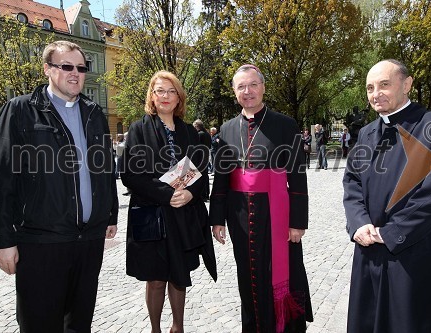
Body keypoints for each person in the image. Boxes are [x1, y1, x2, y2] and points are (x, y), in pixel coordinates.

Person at [0, 40, 119, 332]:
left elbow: (105, 167)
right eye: (66, 66)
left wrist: (110, 213)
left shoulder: (93, 112)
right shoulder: (20, 111)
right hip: (41, 242)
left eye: (81, 68)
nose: (75, 73)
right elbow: (1, 178)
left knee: (79, 323)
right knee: (40, 323)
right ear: (47, 69)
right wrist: (2, 241)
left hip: (88, 241)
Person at [343, 59, 431, 333]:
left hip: (414, 251)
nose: (376, 94)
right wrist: (358, 223)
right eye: (370, 88)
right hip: (368, 250)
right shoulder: (365, 134)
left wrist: (390, 232)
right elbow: (352, 183)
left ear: (407, 84)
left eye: (384, 85)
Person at [210, 64, 313, 332]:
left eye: (253, 85)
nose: (248, 91)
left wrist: (297, 222)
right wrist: (217, 219)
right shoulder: (226, 129)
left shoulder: (285, 124)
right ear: (234, 92)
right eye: (241, 86)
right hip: (240, 216)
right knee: (248, 275)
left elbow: (297, 177)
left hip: (276, 215)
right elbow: (221, 178)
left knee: (283, 274)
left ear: (263, 87)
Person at [121, 70, 217, 333]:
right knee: (155, 279)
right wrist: (167, 194)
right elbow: (130, 174)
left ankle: (178, 327)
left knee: (179, 276)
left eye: (171, 91)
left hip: (182, 214)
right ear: (152, 96)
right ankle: (155, 329)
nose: (165, 96)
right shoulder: (139, 128)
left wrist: (190, 193)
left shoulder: (189, 131)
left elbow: (199, 170)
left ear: (178, 98)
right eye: (159, 91)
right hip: (152, 214)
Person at [193, 119, 211, 201]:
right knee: (205, 175)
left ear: (197, 126)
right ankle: (206, 194)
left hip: (200, 157)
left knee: (200, 175)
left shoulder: (199, 134)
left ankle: (202, 194)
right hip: (206, 156)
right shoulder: (207, 134)